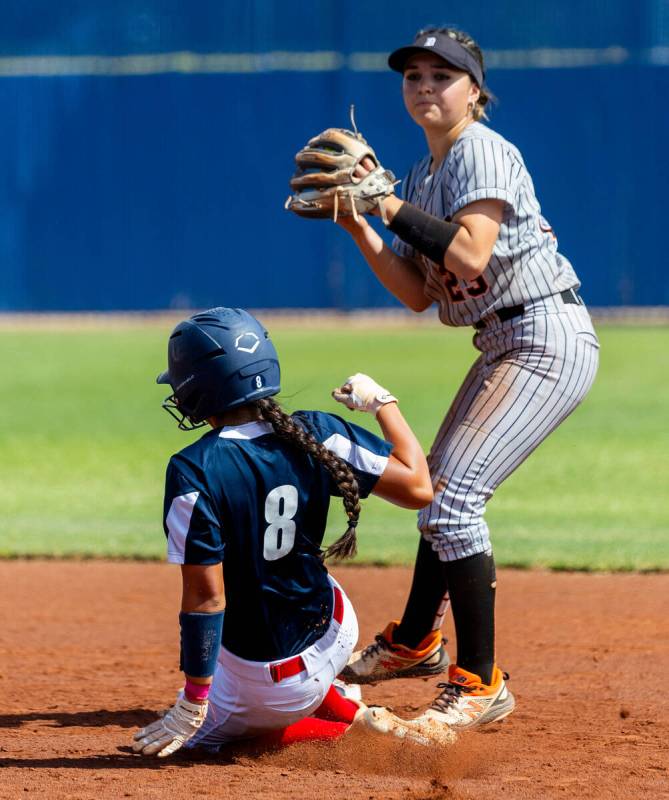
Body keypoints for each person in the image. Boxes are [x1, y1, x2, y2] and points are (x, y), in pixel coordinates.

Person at [336, 27, 600, 730]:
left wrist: (385, 205)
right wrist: (358, 223)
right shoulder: (423, 175)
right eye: (413, 75)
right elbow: (420, 291)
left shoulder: (479, 149)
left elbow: (470, 250)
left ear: (473, 91)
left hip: (543, 335)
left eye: (441, 76)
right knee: (436, 492)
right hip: (505, 339)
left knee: (450, 505)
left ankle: (480, 685)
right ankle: (415, 643)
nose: (424, 86)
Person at [131, 306, 454, 757]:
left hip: (269, 684)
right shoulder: (317, 432)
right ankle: (341, 702)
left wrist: (193, 702)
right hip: (337, 630)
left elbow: (207, 599)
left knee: (201, 742)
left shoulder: (193, 469)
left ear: (198, 390)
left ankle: (347, 731)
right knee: (293, 574)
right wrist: (383, 403)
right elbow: (420, 488)